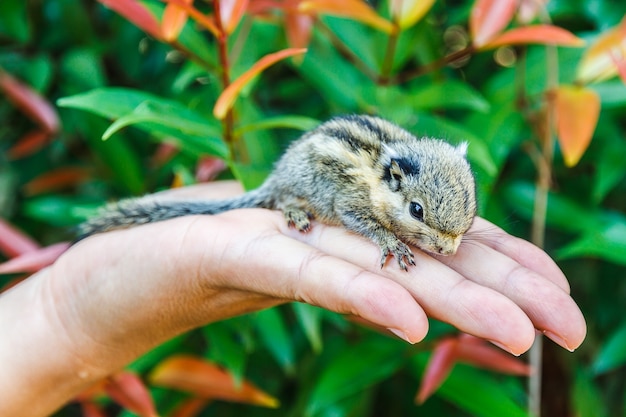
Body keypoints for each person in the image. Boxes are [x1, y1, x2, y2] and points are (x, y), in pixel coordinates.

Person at [0, 181, 586, 417]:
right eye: (427, 225)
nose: (444, 248)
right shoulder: (368, 188)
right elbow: (358, 209)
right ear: (397, 185)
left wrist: (62, 315)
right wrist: (64, 313)